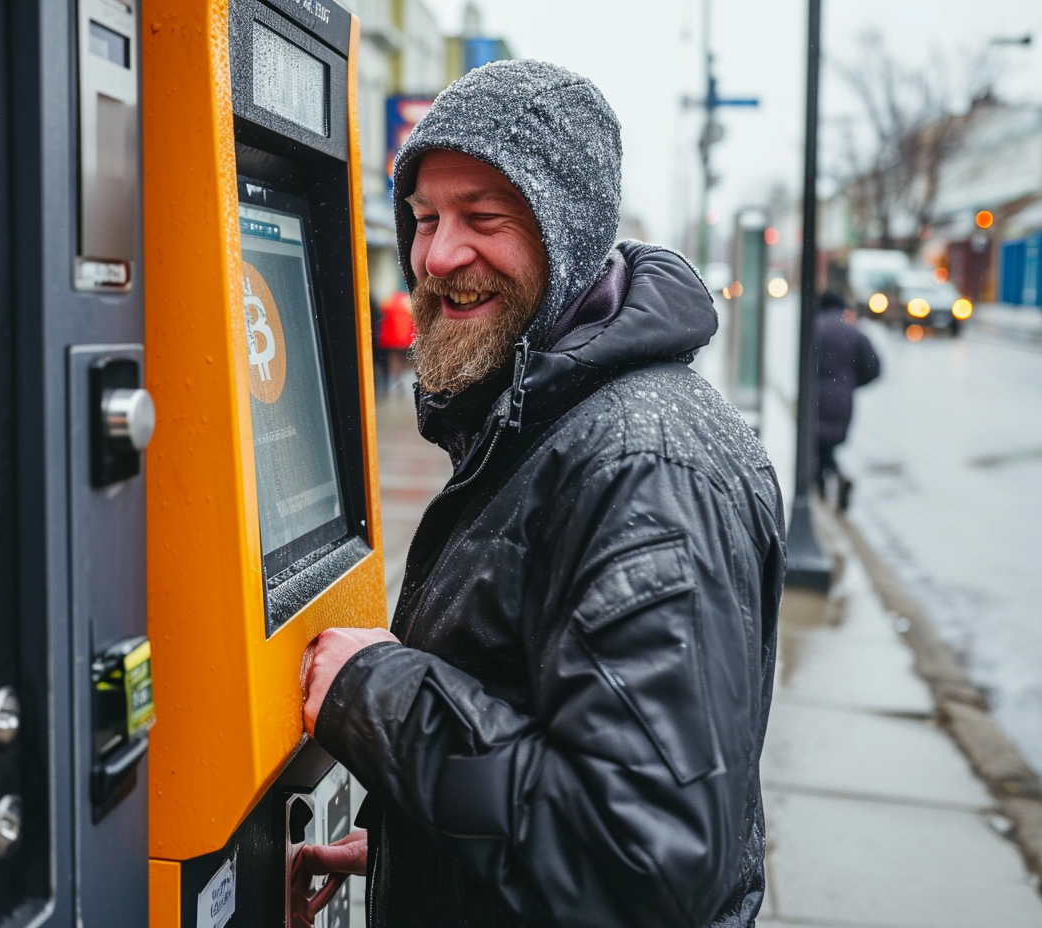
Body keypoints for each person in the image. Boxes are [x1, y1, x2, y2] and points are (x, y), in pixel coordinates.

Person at [297, 60, 786, 928]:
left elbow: (641, 862)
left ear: (568, 234)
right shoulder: (547, 420)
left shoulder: (644, 469)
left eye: (482, 218)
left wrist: (375, 689)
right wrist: (422, 848)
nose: (439, 255)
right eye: (424, 219)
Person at [814, 290, 881, 511]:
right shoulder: (854, 333)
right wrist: (848, 384)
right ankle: (833, 482)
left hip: (814, 401)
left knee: (817, 447)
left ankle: (823, 490)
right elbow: (874, 369)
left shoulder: (814, 329)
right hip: (842, 402)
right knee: (827, 447)